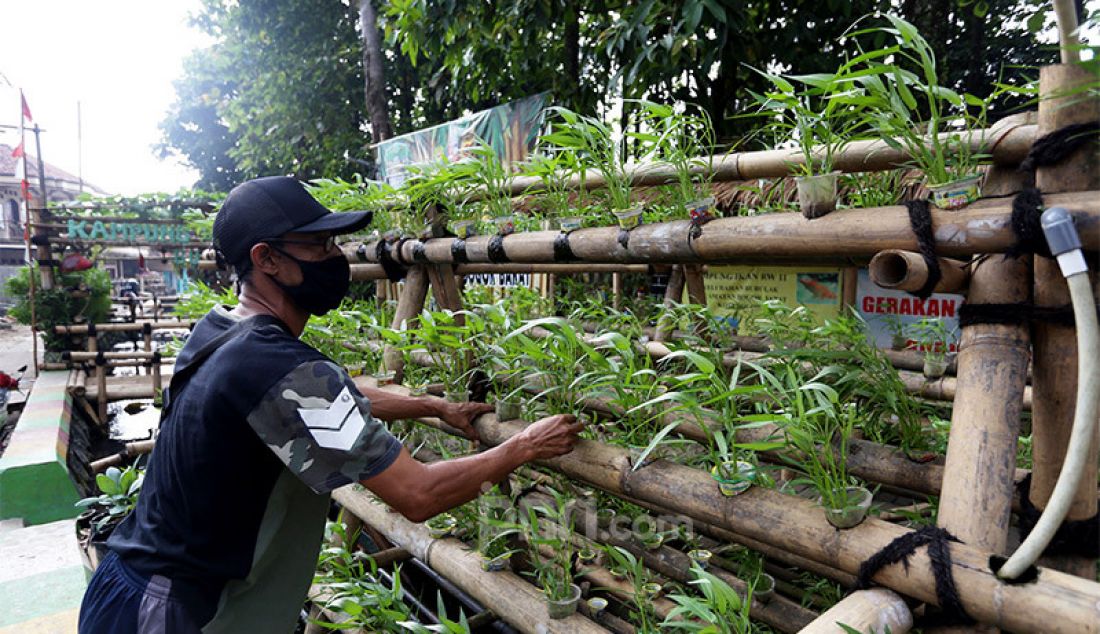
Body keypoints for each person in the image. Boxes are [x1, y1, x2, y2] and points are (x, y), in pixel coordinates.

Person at [78, 176, 582, 633]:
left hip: (130, 586)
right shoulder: (274, 363)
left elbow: (322, 402)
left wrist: (431, 406)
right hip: (168, 614)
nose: (335, 256)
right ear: (266, 259)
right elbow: (418, 495)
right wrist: (525, 446)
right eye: (318, 245)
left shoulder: (221, 332)